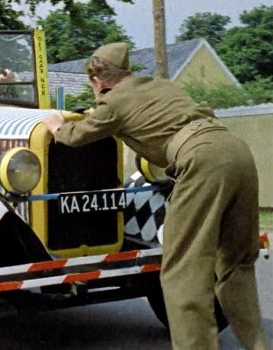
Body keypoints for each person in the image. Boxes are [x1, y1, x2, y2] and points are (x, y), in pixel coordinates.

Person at [43, 43, 269, 350]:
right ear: (127, 72)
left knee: (182, 270)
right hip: (235, 150)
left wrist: (56, 126)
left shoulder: (112, 103)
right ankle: (258, 345)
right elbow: (163, 128)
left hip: (200, 162)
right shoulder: (162, 86)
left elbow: (75, 137)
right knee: (237, 262)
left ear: (98, 81)